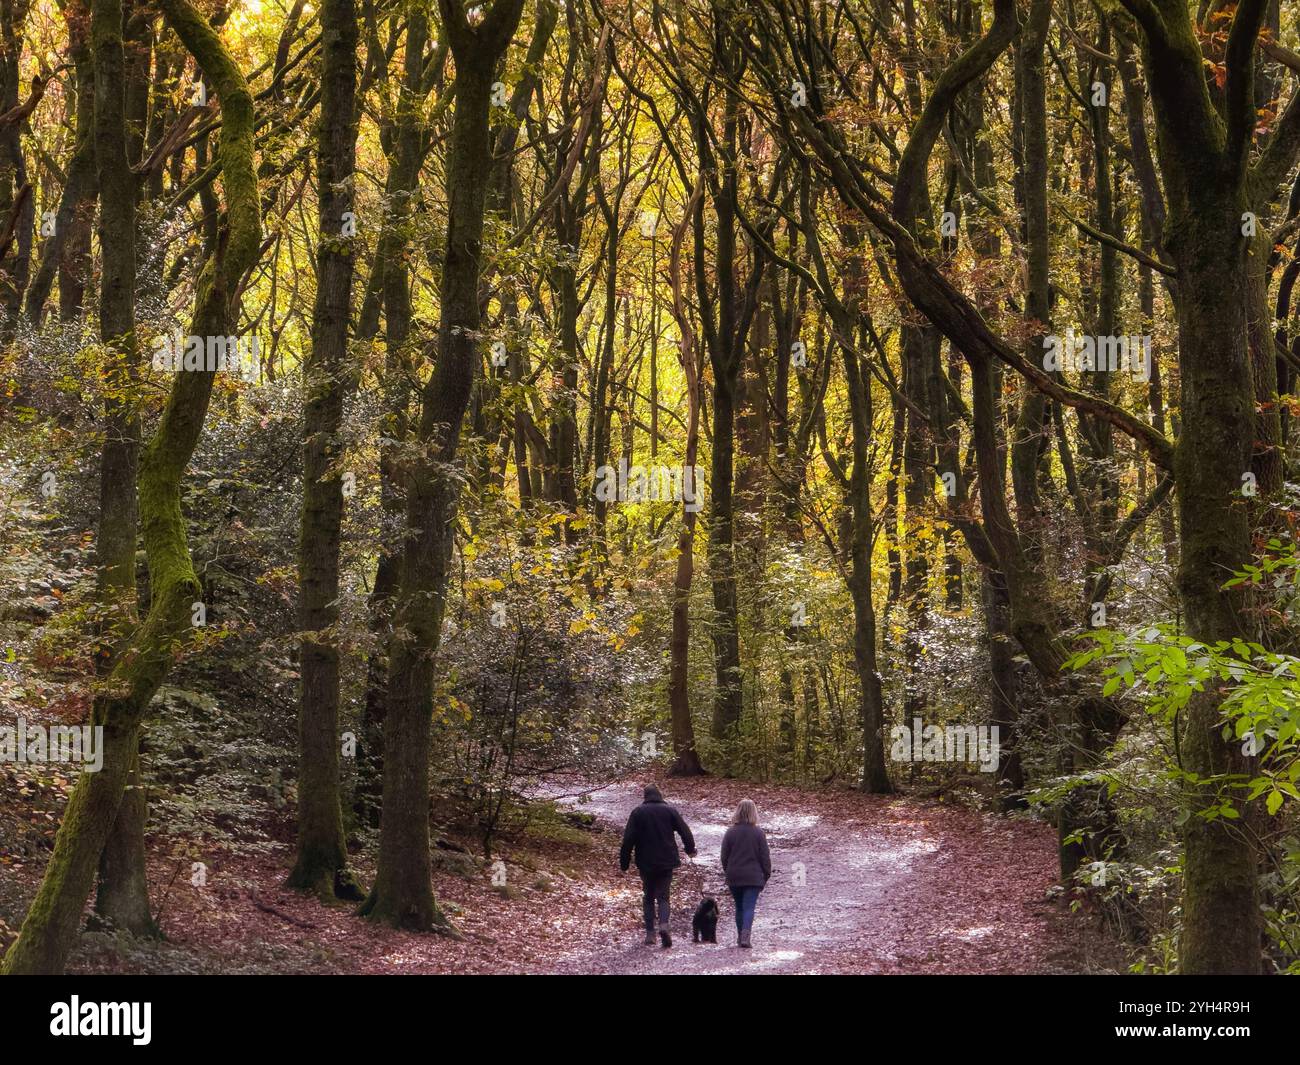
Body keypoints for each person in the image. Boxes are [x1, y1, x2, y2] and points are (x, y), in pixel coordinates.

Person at [619, 784, 696, 947]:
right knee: (663, 896)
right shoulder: (669, 811)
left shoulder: (638, 813)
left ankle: (650, 933)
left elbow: (628, 840)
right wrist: (690, 849)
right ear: (659, 795)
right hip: (666, 860)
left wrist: (624, 863)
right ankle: (663, 925)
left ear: (645, 796)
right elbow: (685, 831)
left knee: (648, 896)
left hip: (645, 861)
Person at [720, 798, 771, 948]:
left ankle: (740, 935)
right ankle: (745, 936)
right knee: (749, 907)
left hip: (734, 876)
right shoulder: (758, 833)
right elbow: (765, 857)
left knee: (739, 907)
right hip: (753, 877)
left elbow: (724, 856)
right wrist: (766, 875)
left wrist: (728, 871)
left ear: (738, 812)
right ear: (753, 813)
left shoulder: (730, 832)